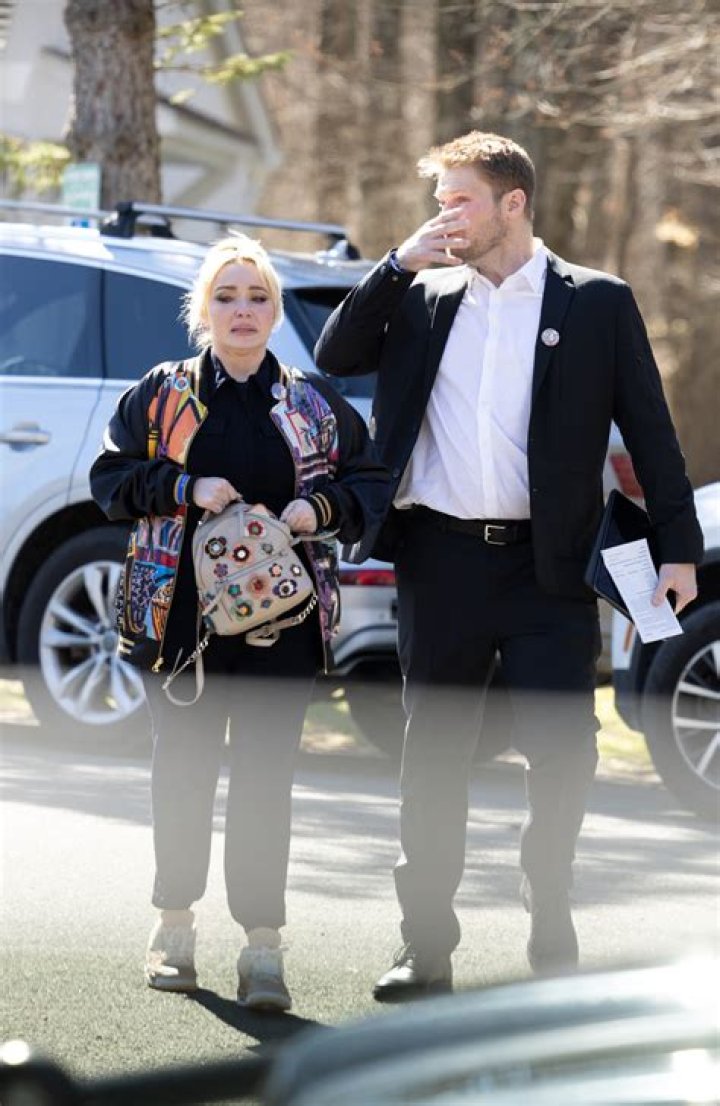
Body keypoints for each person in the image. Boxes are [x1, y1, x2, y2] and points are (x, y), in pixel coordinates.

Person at [315, 131, 703, 1000]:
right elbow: (336, 356)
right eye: (439, 201)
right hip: (440, 560)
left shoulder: (598, 303)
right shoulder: (421, 298)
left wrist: (678, 549)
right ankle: (425, 947)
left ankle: (549, 907)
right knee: (433, 754)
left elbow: (651, 430)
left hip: (549, 569)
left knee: (564, 753)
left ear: (513, 202)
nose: (443, 216)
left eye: (460, 200)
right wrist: (394, 265)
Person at [90, 234, 389, 1012]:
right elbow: (109, 479)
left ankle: (262, 948)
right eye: (226, 296)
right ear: (203, 309)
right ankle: (174, 929)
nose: (243, 310)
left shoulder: (312, 403)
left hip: (282, 625)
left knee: (264, 784)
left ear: (275, 311)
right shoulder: (161, 394)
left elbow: (372, 481)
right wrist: (183, 487)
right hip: (178, 623)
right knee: (181, 777)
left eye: (257, 297)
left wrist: (319, 507)